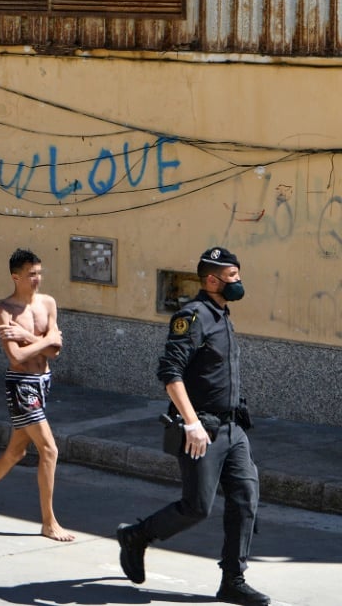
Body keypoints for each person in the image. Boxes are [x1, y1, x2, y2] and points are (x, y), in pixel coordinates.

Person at [117, 247, 269, 606]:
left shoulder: (222, 315)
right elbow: (170, 373)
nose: (239, 282)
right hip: (202, 430)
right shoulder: (193, 316)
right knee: (197, 507)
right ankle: (137, 536)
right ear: (212, 279)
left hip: (233, 429)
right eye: (233, 276)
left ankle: (233, 579)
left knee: (246, 499)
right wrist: (191, 423)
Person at [0, 248, 74, 542]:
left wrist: (28, 337)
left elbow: (56, 349)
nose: (37, 279)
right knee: (49, 450)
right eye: (30, 275)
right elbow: (15, 357)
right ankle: (49, 523)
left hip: (43, 382)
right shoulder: (4, 310)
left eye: (39, 273)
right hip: (21, 384)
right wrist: (44, 340)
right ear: (16, 277)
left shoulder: (48, 303)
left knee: (17, 451)